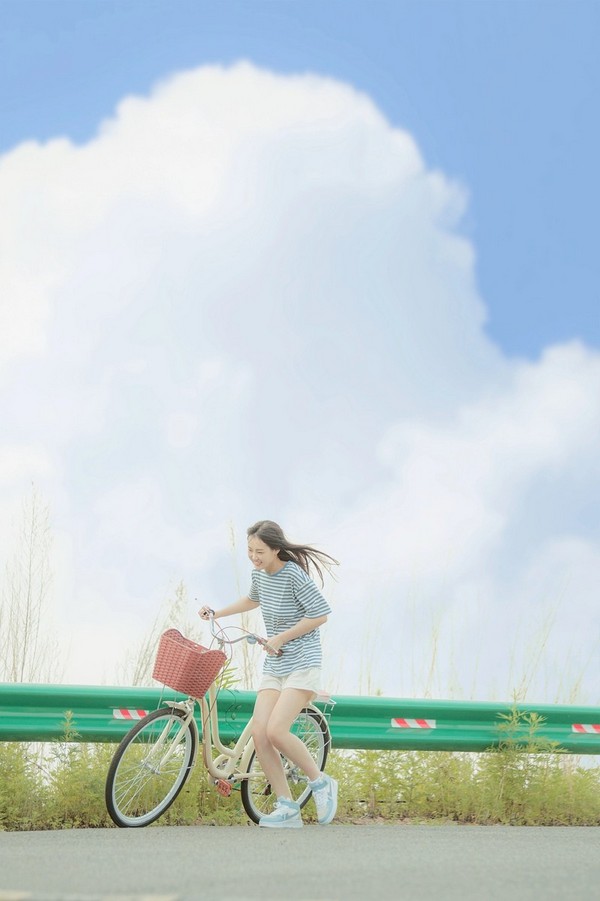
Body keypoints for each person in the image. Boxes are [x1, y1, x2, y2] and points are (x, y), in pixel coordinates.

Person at [199, 519, 339, 829]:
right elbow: (252, 599)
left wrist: (281, 637)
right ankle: (286, 806)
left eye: (259, 551)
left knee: (277, 730)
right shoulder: (259, 575)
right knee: (260, 733)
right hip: (275, 663)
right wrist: (217, 613)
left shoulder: (294, 575)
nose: (254, 557)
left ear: (276, 549)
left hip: (302, 661)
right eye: (250, 550)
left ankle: (320, 782)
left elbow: (320, 615)